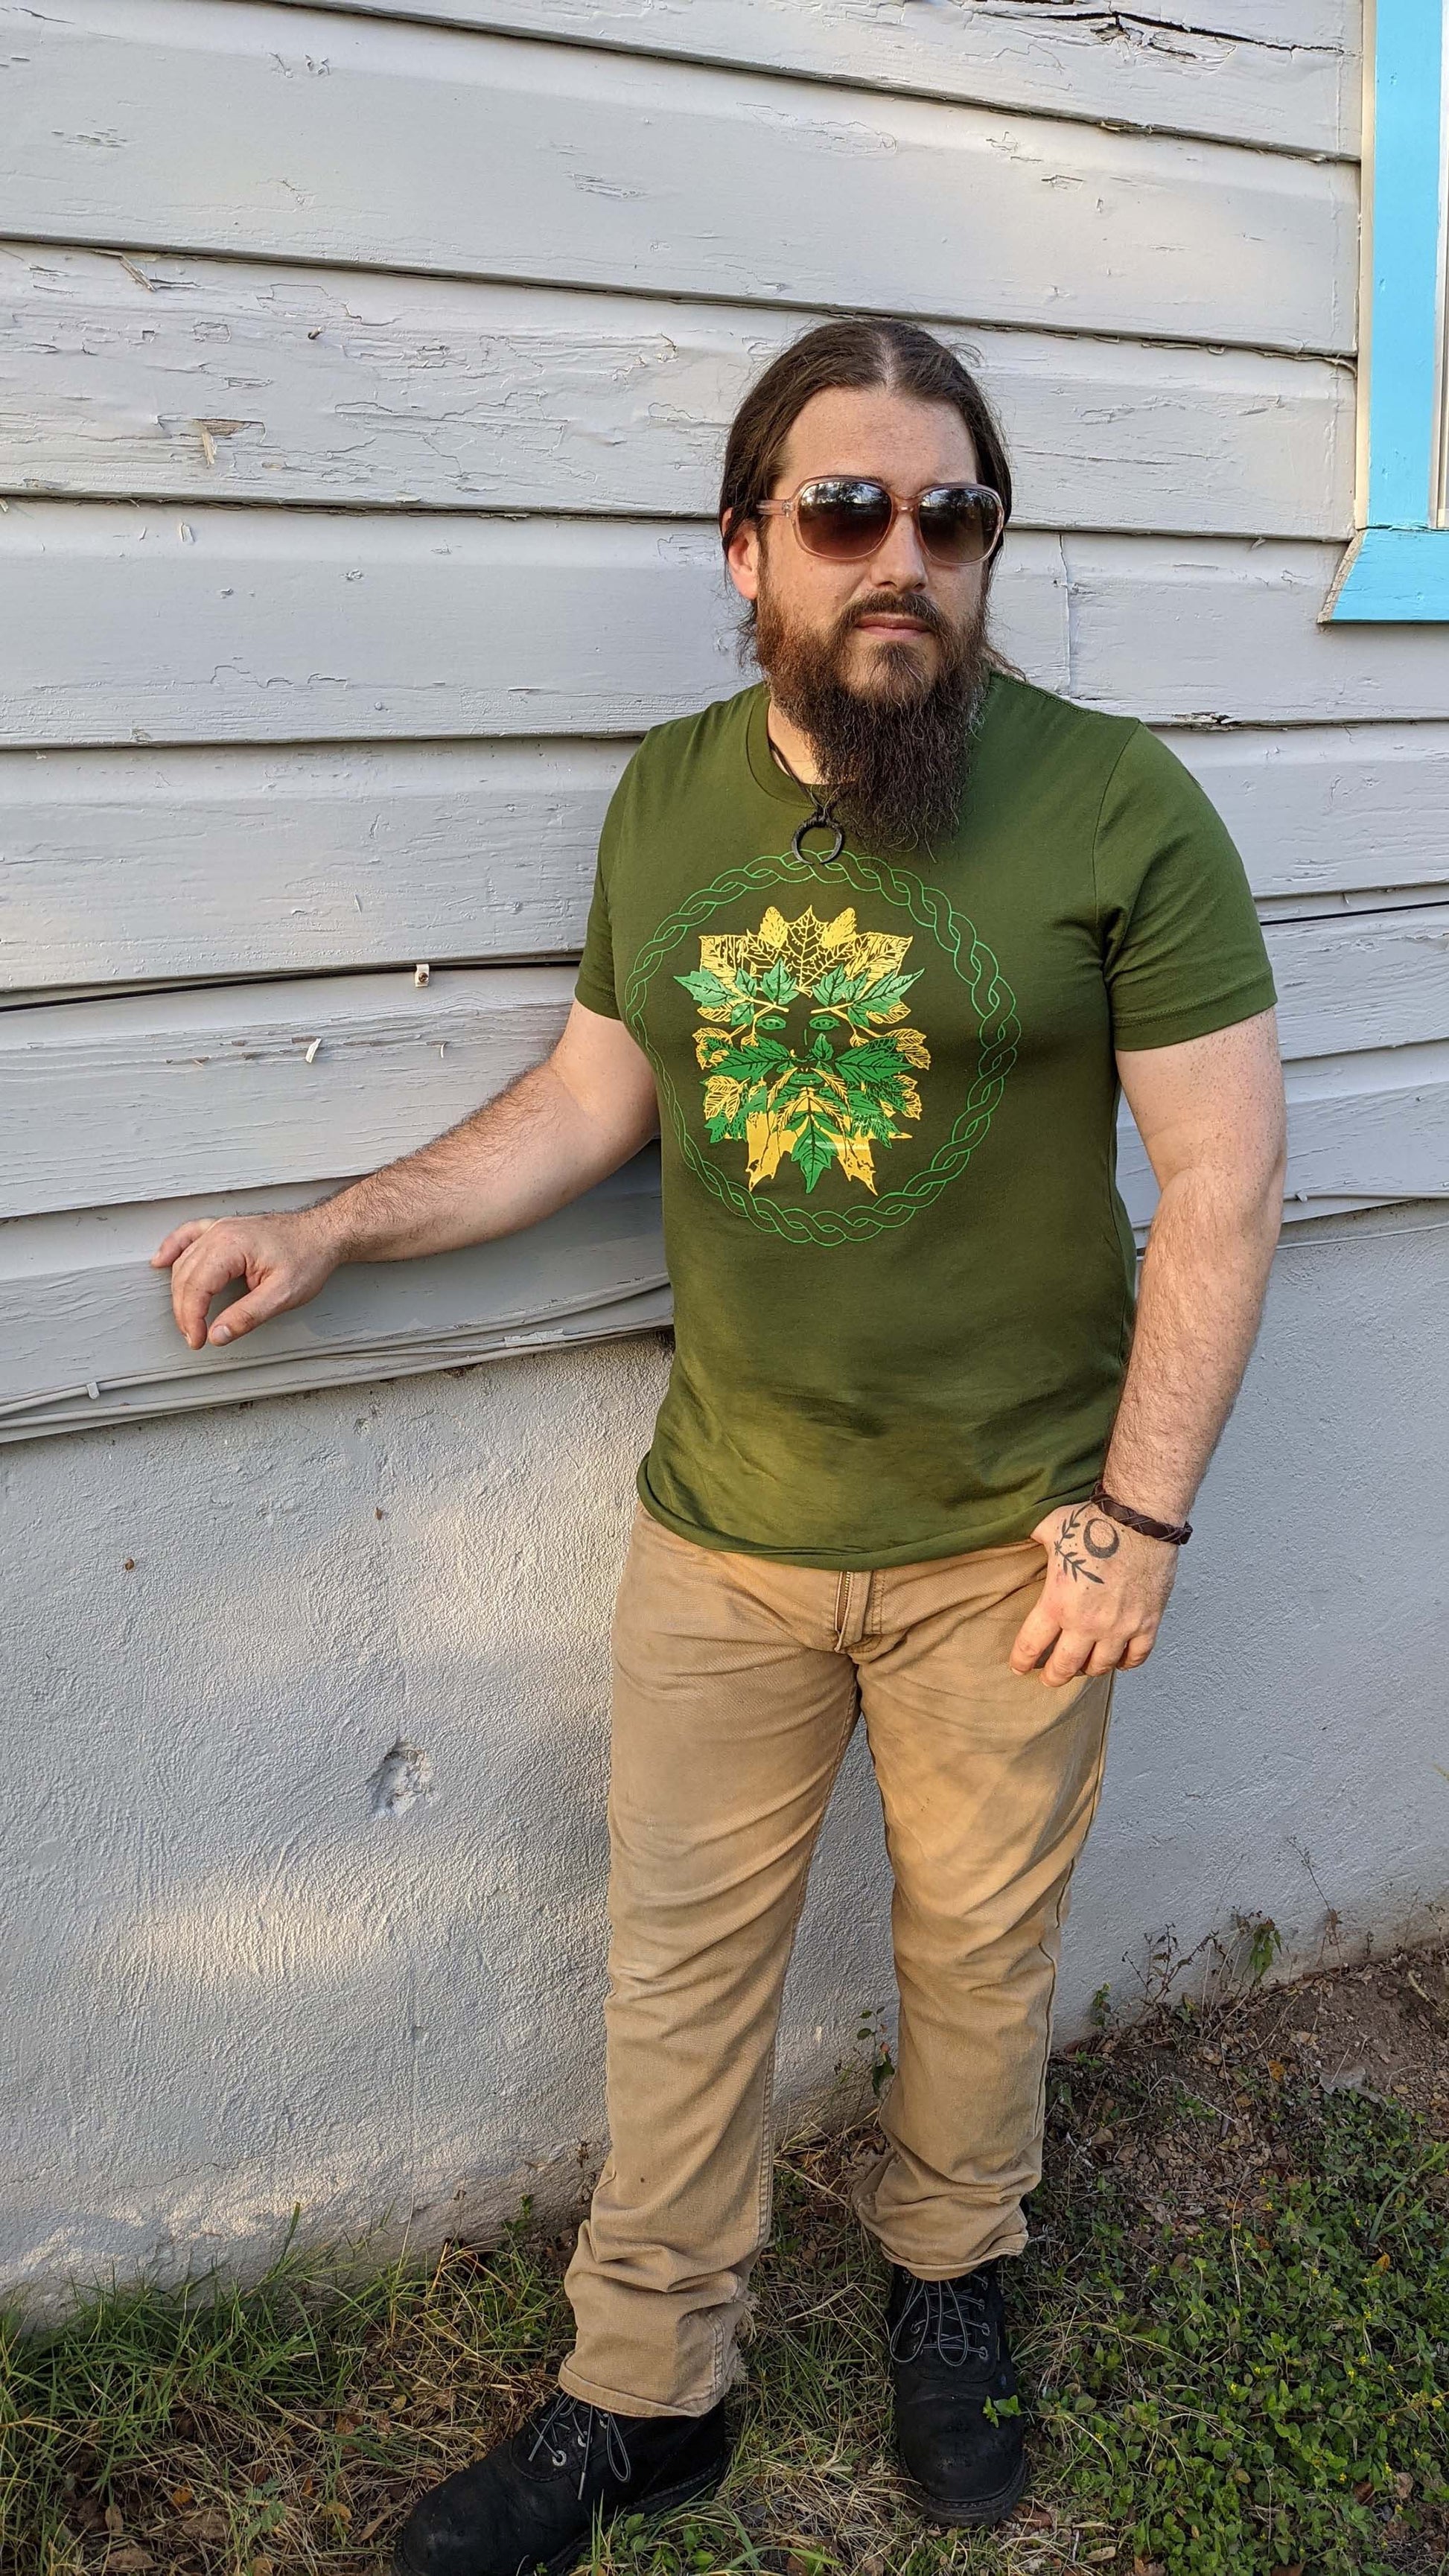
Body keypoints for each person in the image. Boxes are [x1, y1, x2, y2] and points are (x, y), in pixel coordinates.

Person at [153, 319, 1286, 2575]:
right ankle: (644, 2388)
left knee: (976, 1955)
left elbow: (1227, 1181)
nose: (901, 558)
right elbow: (595, 1092)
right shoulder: (667, 796)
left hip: (1012, 1540)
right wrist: (334, 1225)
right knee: (677, 1972)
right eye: (845, 510)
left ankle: (951, 2280)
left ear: (988, 550)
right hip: (727, 1527)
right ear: (747, 548)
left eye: (950, 515)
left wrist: (1138, 1513)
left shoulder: (1120, 802)